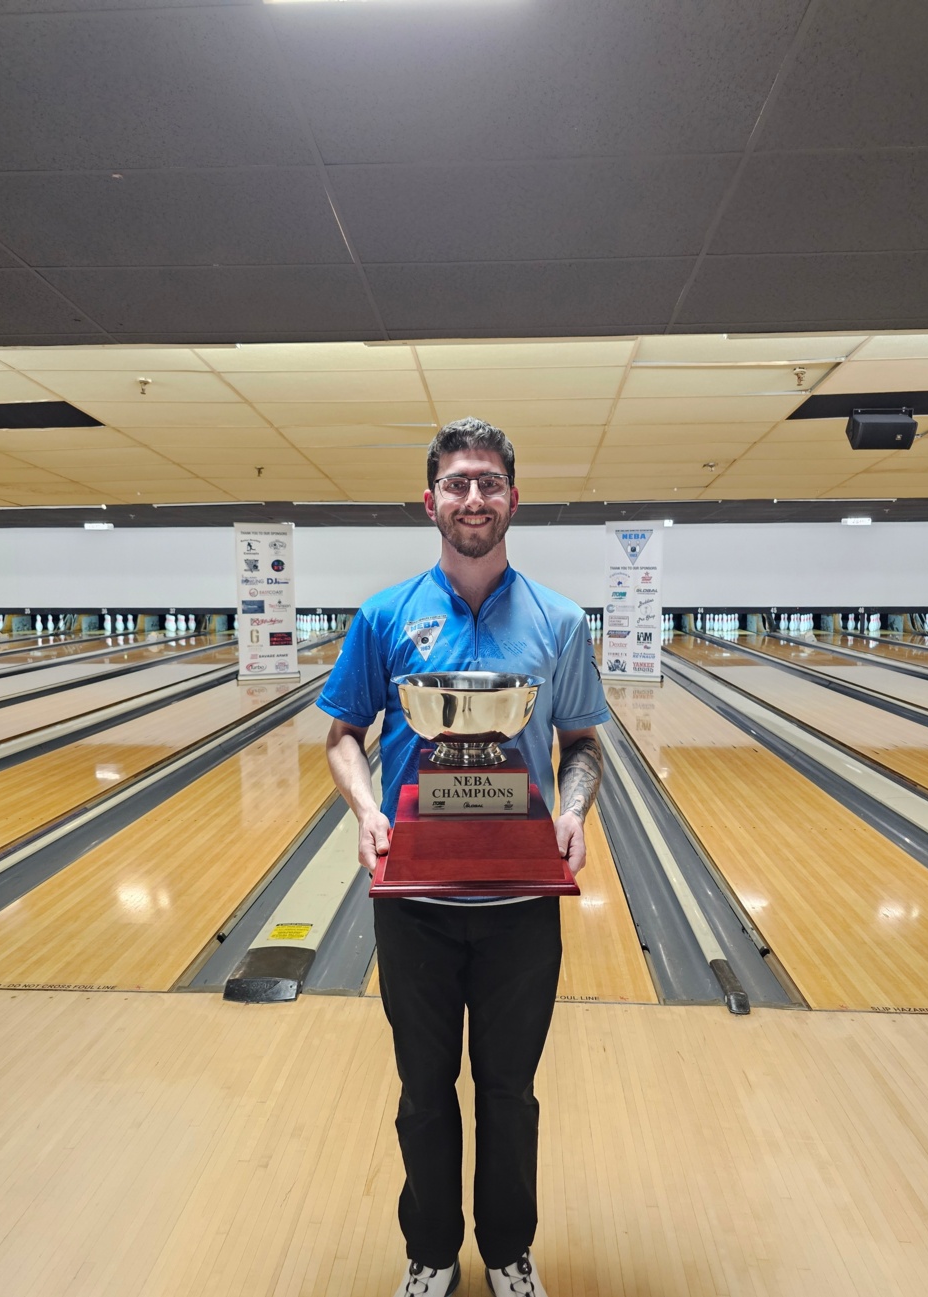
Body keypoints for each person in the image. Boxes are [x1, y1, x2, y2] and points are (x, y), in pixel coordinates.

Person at [318, 417, 608, 1297]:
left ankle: (509, 1252)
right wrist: (368, 812)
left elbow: (583, 742)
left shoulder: (558, 622)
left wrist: (570, 812)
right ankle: (432, 1252)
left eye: (487, 483)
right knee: (422, 1093)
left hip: (520, 900)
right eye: (457, 483)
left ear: (512, 499)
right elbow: (341, 735)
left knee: (510, 1094)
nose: (472, 498)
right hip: (415, 902)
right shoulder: (384, 617)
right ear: (430, 500)